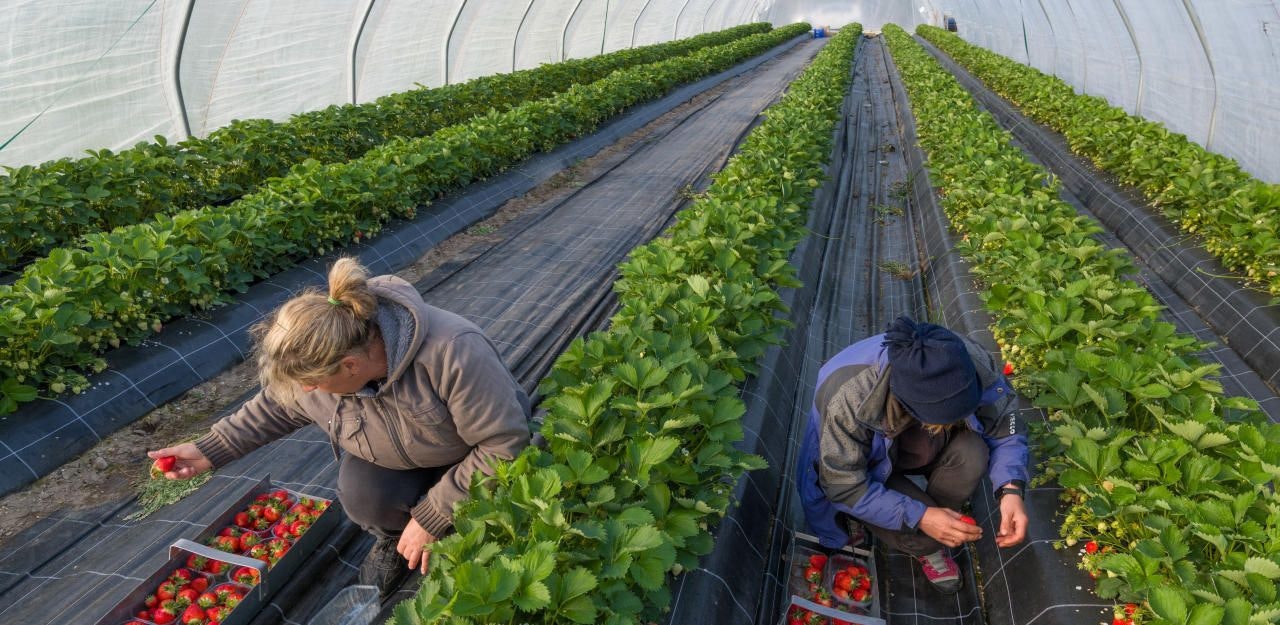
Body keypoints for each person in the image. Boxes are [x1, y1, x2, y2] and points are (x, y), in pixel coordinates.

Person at [148, 257, 531, 598]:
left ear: (351, 366)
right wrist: (209, 449)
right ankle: (396, 539)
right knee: (362, 494)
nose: (307, 391)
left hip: (473, 454)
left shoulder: (452, 350)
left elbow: (501, 444)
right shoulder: (325, 366)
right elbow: (277, 406)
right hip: (405, 456)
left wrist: (433, 514)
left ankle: (451, 528)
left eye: (312, 383)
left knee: (488, 513)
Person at [796, 316, 1029, 594]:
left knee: (973, 453)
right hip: (862, 469)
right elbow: (843, 484)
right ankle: (926, 541)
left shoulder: (963, 359)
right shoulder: (847, 397)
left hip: (911, 445)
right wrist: (920, 517)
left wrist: (1010, 489)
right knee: (925, 537)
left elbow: (1003, 421)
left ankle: (940, 521)